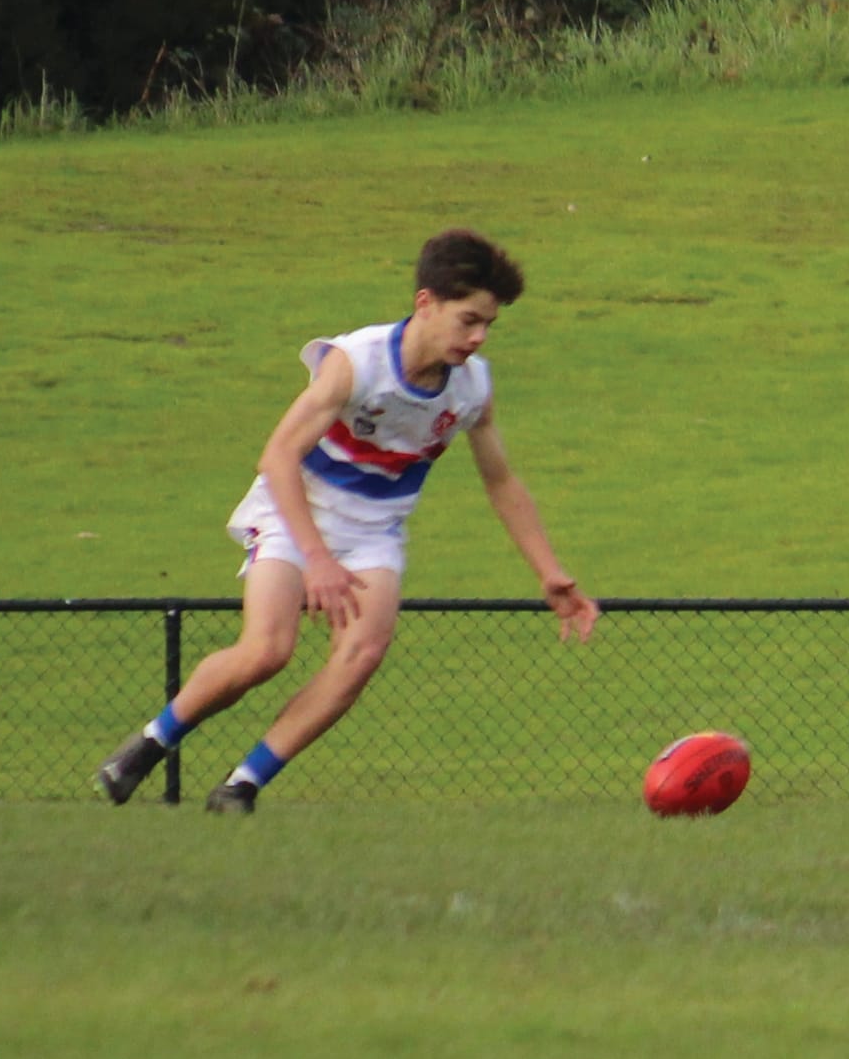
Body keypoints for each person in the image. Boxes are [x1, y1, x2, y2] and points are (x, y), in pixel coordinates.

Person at [95, 228, 598, 813]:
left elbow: (502, 483)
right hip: (295, 512)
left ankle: (242, 785)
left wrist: (549, 573)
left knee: (363, 653)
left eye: (489, 324)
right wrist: (316, 559)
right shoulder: (355, 362)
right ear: (426, 303)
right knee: (267, 650)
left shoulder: (472, 388)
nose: (479, 337)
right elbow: (277, 457)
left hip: (373, 531)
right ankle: (152, 742)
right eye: (468, 320)